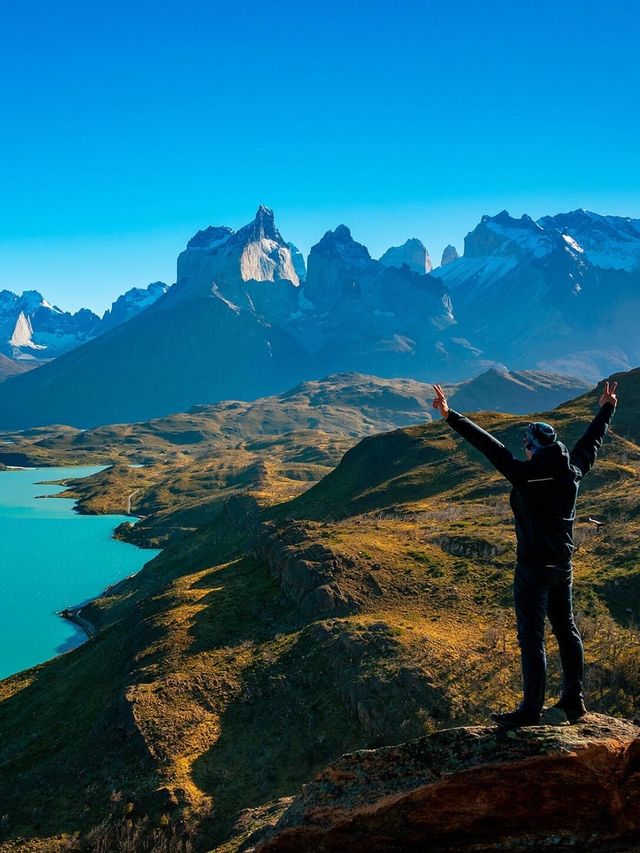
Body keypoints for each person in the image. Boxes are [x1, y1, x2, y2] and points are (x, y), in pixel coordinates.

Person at [431, 380, 618, 728]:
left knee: (532, 638)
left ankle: (531, 709)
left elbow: (490, 446)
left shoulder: (524, 474)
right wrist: (607, 409)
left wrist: (450, 416)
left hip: (532, 570)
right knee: (567, 629)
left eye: (527, 445)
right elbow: (590, 444)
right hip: (562, 566)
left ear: (533, 447)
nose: (524, 450)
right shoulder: (571, 472)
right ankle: (574, 701)